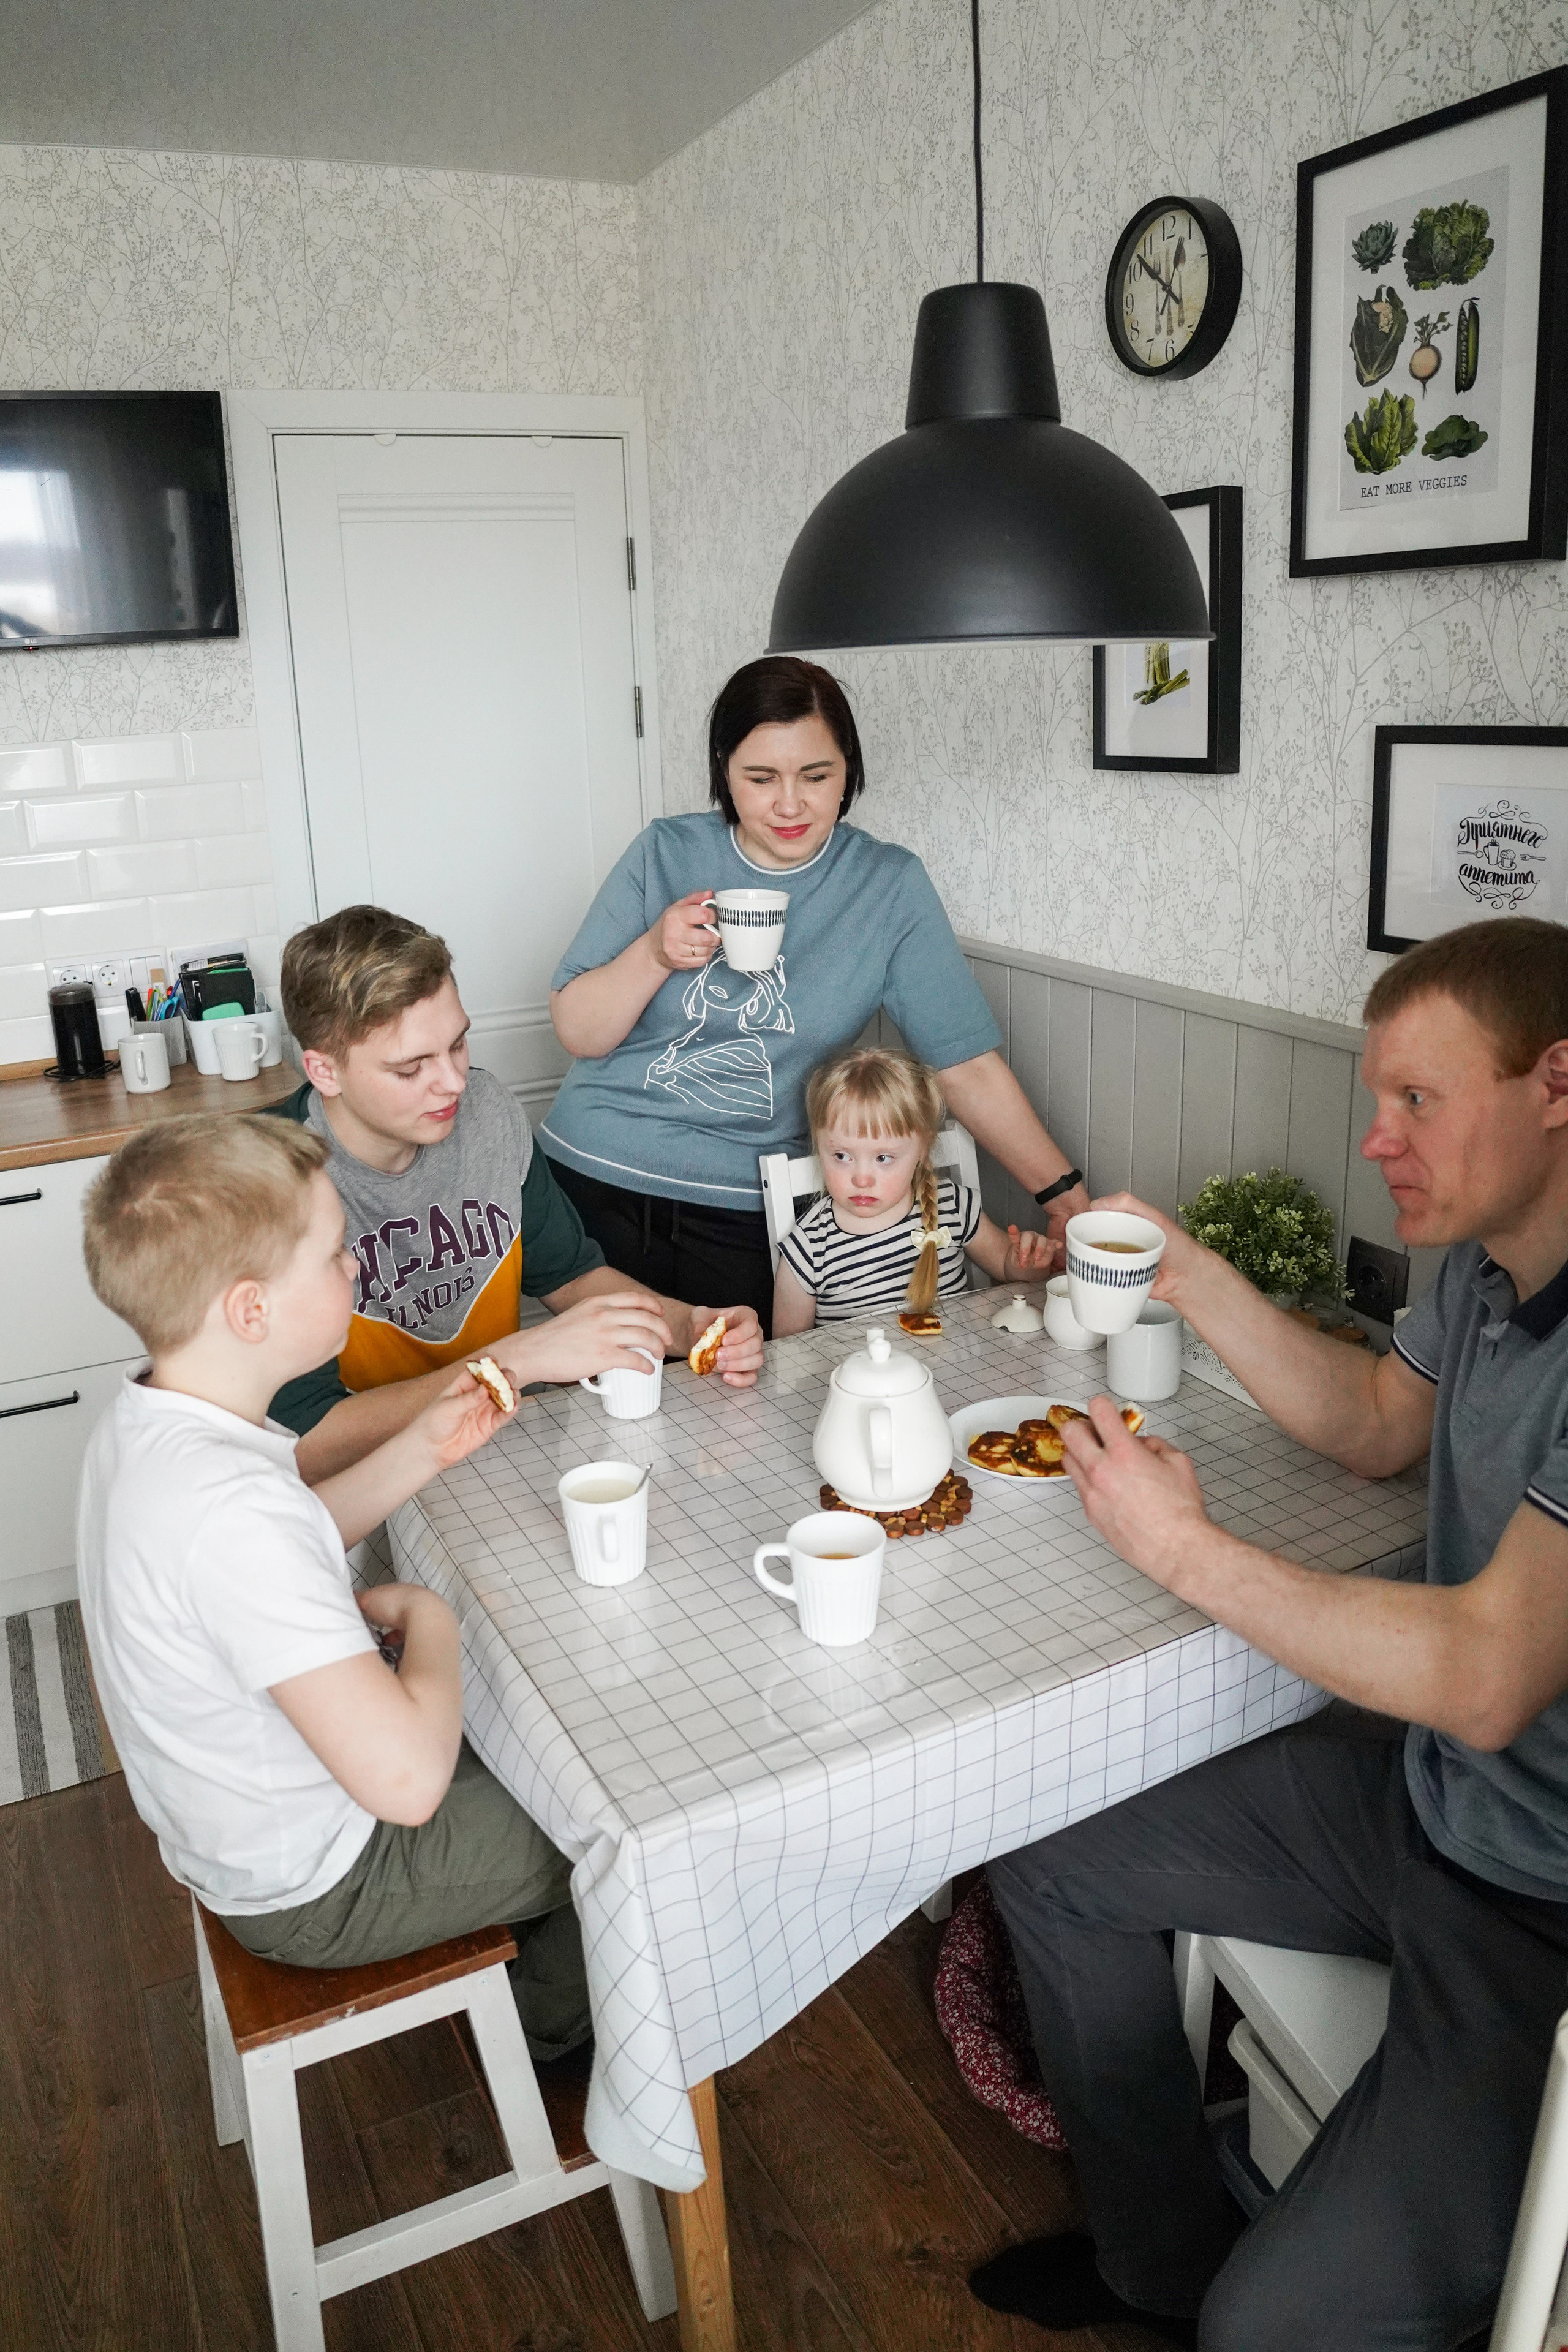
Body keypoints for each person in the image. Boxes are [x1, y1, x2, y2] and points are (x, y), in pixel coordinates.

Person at [970, 916, 1568, 2351]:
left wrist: (1182, 1549)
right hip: (1425, 1806)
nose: (1375, 1140)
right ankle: (1153, 2265)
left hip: (1540, 1913)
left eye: (1415, 1099)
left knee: (1269, 2329)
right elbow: (1370, 1425)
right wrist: (1186, 1273)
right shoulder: (1483, 1265)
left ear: (1555, 1082)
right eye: (1375, 1099)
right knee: (1046, 1857)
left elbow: (1485, 1675)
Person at [77, 1114, 589, 2057]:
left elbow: (291, 1530)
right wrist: (430, 1615)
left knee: (544, 1752)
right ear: (251, 1312)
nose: (357, 1266)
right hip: (323, 1883)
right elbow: (409, 1783)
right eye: (335, 1253)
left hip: (246, 1830)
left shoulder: (157, 1419)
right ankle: (555, 2032)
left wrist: (425, 1446)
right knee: (619, 1829)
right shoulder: (230, 1511)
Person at [544, 655, 1090, 1333]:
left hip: (742, 1205)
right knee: (597, 1387)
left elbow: (966, 1065)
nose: (789, 804)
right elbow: (579, 1031)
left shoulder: (887, 886)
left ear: (848, 772)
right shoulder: (664, 851)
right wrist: (654, 952)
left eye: (816, 775)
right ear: (723, 771)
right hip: (590, 1175)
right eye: (760, 778)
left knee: (733, 1386)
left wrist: (1065, 1196)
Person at [265, 905, 763, 1480]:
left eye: (458, 1045)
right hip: (366, 1485)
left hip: (498, 1450)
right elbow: (310, 1441)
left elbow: (570, 1277)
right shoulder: (268, 1186)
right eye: (410, 1069)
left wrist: (688, 1326)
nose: (454, 1083)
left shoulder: (488, 1113)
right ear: (324, 1072)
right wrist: (514, 1362)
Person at [772, 1046, 1054, 1333]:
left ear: (923, 1147)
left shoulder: (951, 1206)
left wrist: (1027, 1262)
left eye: (883, 1158)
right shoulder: (810, 1245)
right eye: (842, 1156)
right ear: (819, 1147)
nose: (862, 1179)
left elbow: (1006, 1267)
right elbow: (790, 1351)